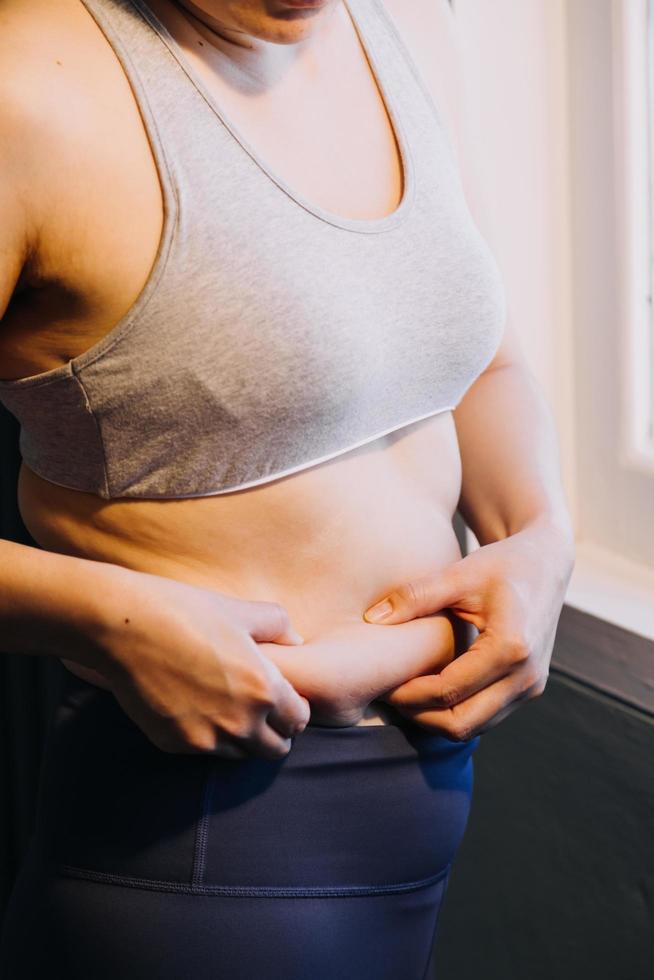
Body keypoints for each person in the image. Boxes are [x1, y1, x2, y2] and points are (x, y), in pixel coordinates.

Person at [0, 0, 575, 977]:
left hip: (425, 821)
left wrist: (540, 535)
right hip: (194, 856)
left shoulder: (414, 29)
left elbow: (481, 360)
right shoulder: (27, 88)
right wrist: (107, 617)